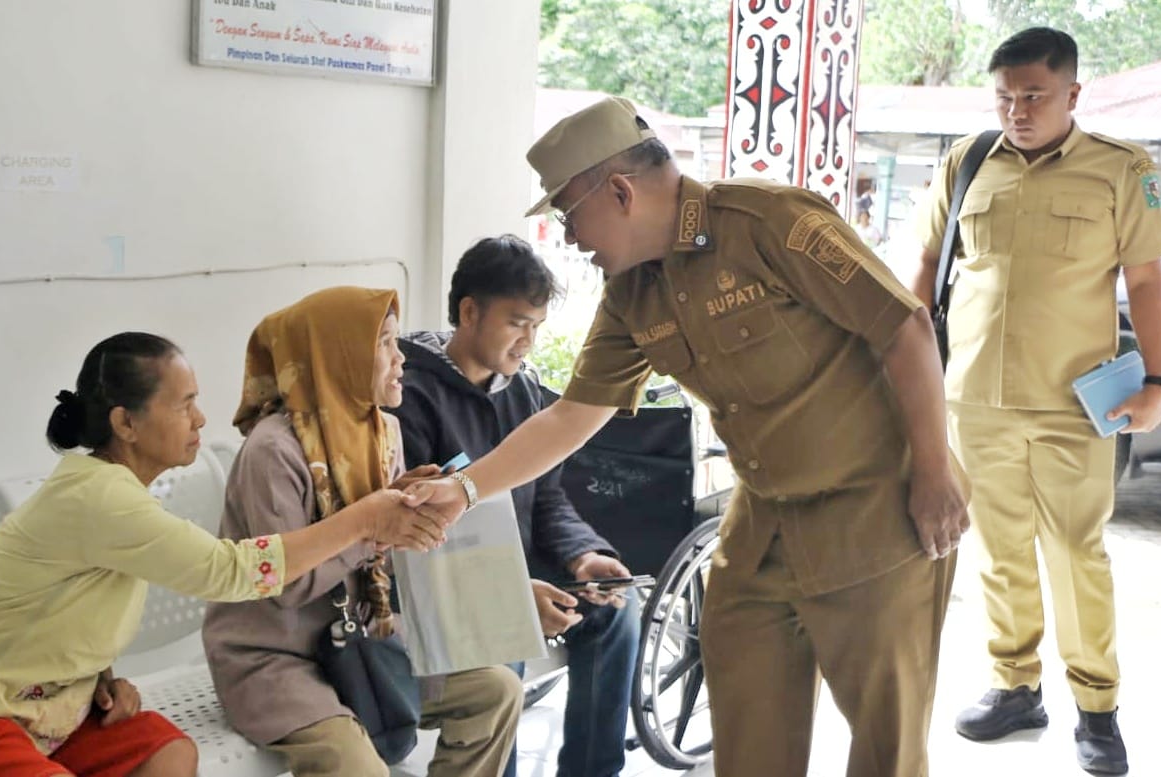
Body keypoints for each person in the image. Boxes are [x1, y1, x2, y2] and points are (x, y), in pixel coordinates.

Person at [408, 96, 969, 777]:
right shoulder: (630, 294)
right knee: (749, 733)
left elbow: (902, 326)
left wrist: (935, 472)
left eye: (568, 211)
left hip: (878, 507)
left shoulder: (770, 223)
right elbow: (571, 417)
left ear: (618, 191)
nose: (569, 233)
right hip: (763, 523)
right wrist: (462, 490)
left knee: (886, 744)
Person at [0, 331, 446, 777]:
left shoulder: (112, 490)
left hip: (50, 707)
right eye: (184, 405)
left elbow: (64, 607)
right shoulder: (102, 497)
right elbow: (231, 570)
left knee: (169, 754)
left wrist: (98, 680)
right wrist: (364, 519)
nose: (200, 418)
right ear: (126, 423)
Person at [910, 27, 1161, 775]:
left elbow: (1146, 281)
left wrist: (1157, 383)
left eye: (1033, 96)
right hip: (974, 402)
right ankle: (1015, 685)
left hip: (1073, 404)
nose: (1017, 110)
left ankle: (1097, 706)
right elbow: (926, 267)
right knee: (997, 552)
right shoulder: (967, 163)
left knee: (1076, 553)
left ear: (1072, 94)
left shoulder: (1121, 171)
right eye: (1005, 96)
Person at [202, 287, 523, 777]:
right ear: (337, 356)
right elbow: (286, 585)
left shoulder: (382, 433)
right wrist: (376, 524)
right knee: (360, 769)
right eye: (385, 344)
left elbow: (384, 557)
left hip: (364, 643)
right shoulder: (273, 451)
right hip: (278, 661)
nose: (401, 361)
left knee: (496, 691)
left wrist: (413, 511)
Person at [394, 235, 641, 777]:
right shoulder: (411, 396)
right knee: (499, 647)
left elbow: (546, 496)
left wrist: (583, 557)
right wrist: (510, 593)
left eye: (537, 326)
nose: (528, 340)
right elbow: (414, 537)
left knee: (616, 611)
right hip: (448, 589)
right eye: (517, 322)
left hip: (522, 574)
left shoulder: (523, 391)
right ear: (468, 311)